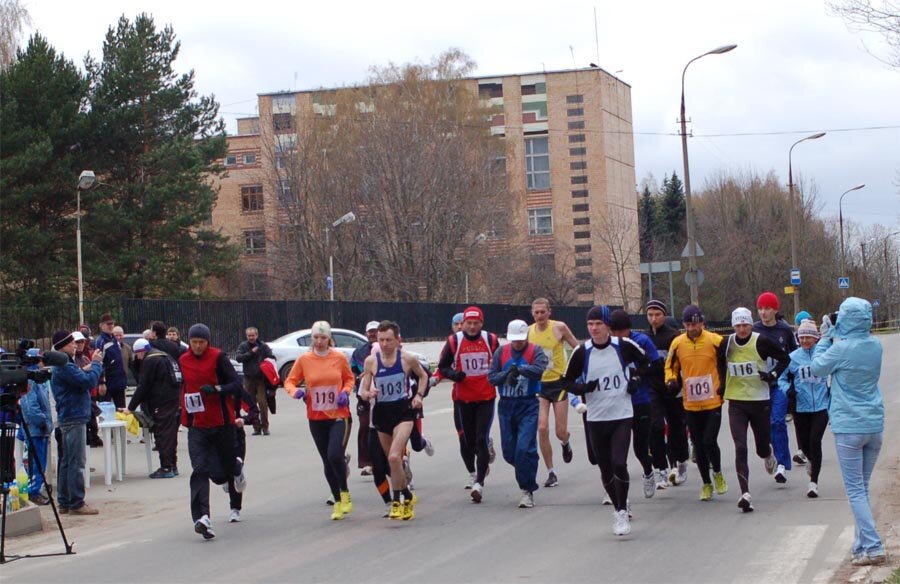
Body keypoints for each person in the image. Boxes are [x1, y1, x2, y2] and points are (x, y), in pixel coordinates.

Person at [562, 306, 650, 536]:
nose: (594, 328)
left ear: (607, 325)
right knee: (605, 468)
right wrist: (583, 388)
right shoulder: (582, 352)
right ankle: (619, 503)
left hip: (621, 414)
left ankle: (621, 512)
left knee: (619, 463)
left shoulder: (623, 346)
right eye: (590, 324)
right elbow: (567, 382)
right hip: (596, 417)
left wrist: (635, 380)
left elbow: (646, 363)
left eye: (598, 323)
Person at [811, 298, 886, 566]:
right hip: (874, 424)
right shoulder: (876, 345)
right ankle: (860, 547)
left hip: (849, 428)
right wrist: (838, 333)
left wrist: (825, 336)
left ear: (844, 319)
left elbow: (817, 367)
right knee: (861, 489)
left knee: (854, 491)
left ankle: (874, 546)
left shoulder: (840, 349)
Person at [179, 323, 247, 540]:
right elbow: (185, 387)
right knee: (200, 469)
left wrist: (217, 389)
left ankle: (236, 469)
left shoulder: (218, 358)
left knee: (224, 470)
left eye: (202, 342)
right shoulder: (183, 360)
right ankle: (202, 518)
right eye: (194, 342)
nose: (198, 346)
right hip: (197, 425)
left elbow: (236, 383)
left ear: (208, 342)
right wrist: (183, 412)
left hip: (221, 423)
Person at [284, 321, 355, 520]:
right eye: (316, 337)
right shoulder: (304, 359)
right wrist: (295, 392)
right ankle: (337, 501)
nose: (319, 341)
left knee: (335, 455)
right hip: (316, 417)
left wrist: (345, 392)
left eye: (323, 338)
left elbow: (349, 378)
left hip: (339, 415)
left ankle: (344, 492)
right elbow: (289, 381)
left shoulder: (339, 357)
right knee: (327, 460)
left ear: (329, 339)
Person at [359, 321, 429, 520]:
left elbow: (423, 376)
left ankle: (397, 501)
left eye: (389, 340)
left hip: (403, 412)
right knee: (393, 463)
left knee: (393, 457)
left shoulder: (407, 359)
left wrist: (419, 396)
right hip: (382, 414)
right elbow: (363, 390)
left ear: (398, 340)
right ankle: (408, 496)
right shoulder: (371, 362)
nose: (384, 344)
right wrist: (368, 393)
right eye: (381, 340)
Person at [724, 307, 789, 513]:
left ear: (751, 325)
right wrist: (719, 385)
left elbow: (785, 358)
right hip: (736, 402)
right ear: (733, 326)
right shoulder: (727, 343)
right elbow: (717, 362)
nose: (742, 329)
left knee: (761, 447)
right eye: (738, 325)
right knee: (740, 447)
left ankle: (768, 453)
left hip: (759, 401)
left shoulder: (761, 341)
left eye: (745, 325)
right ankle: (745, 494)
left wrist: (772, 375)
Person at [665, 305, 728, 502]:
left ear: (702, 323)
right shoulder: (678, 343)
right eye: (688, 324)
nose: (692, 328)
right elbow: (670, 366)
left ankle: (717, 473)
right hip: (690, 403)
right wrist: (671, 380)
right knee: (698, 445)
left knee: (709, 440)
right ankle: (706, 483)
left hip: (713, 401)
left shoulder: (715, 340)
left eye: (695, 324)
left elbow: (727, 362)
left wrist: (724, 384)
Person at [437, 306, 500, 503]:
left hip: (486, 397)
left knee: (480, 438)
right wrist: (455, 375)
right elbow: (442, 367)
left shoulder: (491, 340)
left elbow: (500, 363)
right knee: (467, 440)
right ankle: (476, 468)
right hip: (463, 399)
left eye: (476, 323)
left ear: (482, 323)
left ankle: (479, 483)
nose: (472, 327)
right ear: (463, 324)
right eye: (469, 323)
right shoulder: (454, 341)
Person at [488, 319, 548, 508]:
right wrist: (506, 375)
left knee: (523, 447)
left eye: (520, 339)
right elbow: (491, 377)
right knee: (510, 452)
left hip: (528, 405)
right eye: (514, 340)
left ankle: (527, 489)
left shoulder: (535, 351)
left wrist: (520, 370)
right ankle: (527, 463)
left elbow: (539, 370)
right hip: (507, 406)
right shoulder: (501, 352)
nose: (517, 343)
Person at [608, 309, 664, 500]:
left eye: (621, 332)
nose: (618, 336)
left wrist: (638, 376)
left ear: (629, 329)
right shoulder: (608, 345)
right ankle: (617, 489)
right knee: (617, 451)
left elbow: (656, 366)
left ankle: (648, 471)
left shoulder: (642, 341)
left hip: (640, 401)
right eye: (614, 332)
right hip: (617, 404)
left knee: (640, 448)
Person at [50, 329, 104, 515]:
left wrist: (85, 369)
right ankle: (76, 502)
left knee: (66, 460)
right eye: (72, 342)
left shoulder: (63, 364)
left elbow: (78, 376)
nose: (75, 345)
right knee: (76, 461)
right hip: (74, 416)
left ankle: (65, 501)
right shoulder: (65, 365)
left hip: (68, 415)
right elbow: (87, 382)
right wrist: (96, 364)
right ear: (63, 345)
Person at [527, 298, 579, 488]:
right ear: (532, 314)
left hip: (558, 383)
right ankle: (551, 472)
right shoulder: (528, 332)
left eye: (543, 312)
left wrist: (576, 371)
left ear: (549, 312)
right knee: (542, 428)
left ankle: (565, 442)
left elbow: (577, 348)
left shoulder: (559, 327)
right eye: (536, 312)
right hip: (539, 385)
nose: (539, 315)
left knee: (560, 431)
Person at [777, 320, 829, 498]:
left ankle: (813, 483)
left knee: (815, 440)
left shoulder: (823, 356)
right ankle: (811, 461)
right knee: (805, 446)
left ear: (816, 338)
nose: (805, 340)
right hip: (800, 407)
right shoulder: (792, 358)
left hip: (821, 406)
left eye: (809, 337)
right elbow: (781, 379)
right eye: (802, 337)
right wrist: (788, 390)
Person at [753, 292, 798, 483]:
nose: (763, 312)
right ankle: (769, 452)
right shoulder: (754, 330)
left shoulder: (784, 330)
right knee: (765, 425)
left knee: (778, 421)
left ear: (775, 310)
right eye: (760, 308)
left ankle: (782, 464)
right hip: (758, 385)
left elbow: (794, 355)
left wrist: (794, 382)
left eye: (767, 308)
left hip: (779, 383)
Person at [644, 299, 689, 489]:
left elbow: (682, 363)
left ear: (664, 315)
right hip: (652, 388)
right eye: (650, 315)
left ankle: (681, 461)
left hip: (673, 388)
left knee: (676, 428)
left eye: (657, 314)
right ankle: (661, 469)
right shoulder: (645, 338)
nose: (654, 319)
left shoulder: (674, 337)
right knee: (655, 426)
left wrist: (678, 383)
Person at [121, 339, 182, 478]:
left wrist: (130, 408)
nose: (137, 358)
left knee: (162, 435)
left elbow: (143, 386)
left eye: (137, 355)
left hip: (161, 401)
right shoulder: (166, 357)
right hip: (173, 400)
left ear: (141, 352)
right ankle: (173, 465)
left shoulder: (150, 360)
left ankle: (166, 467)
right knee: (171, 434)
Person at [18, 348, 53, 505]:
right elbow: (30, 406)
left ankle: (36, 488)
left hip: (39, 429)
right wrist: (42, 421)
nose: (42, 362)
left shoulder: (38, 379)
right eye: (39, 359)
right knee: (35, 462)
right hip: (35, 429)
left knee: (40, 461)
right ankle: (33, 491)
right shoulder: (30, 380)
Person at [223, 385, 260, 523]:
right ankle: (224, 478)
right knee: (220, 473)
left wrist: (244, 420)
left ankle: (235, 508)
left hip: (235, 434)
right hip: (215, 433)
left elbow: (254, 411)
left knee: (235, 470)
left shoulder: (236, 388)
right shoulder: (210, 389)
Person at [350, 321, 380, 475]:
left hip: (382, 397)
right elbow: (352, 371)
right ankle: (367, 462)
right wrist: (357, 378)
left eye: (375, 331)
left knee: (381, 430)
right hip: (364, 396)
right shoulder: (359, 352)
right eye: (370, 331)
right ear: (366, 333)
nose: (373, 334)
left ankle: (385, 460)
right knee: (364, 427)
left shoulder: (386, 349)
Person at [235, 327, 275, 436]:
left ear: (257, 335)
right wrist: (250, 353)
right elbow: (238, 358)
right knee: (251, 404)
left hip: (261, 379)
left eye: (253, 335)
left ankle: (265, 427)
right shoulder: (243, 346)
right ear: (246, 336)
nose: (251, 337)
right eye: (249, 336)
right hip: (249, 379)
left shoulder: (263, 346)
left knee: (262, 403)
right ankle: (256, 427)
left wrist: (267, 363)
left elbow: (272, 357)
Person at [95, 313, 128, 409]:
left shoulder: (114, 339)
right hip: (108, 383)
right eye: (108, 324)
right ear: (101, 325)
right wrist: (101, 382)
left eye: (112, 323)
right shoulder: (101, 341)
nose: (111, 326)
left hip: (119, 382)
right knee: (105, 410)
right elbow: (99, 362)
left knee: (121, 411)